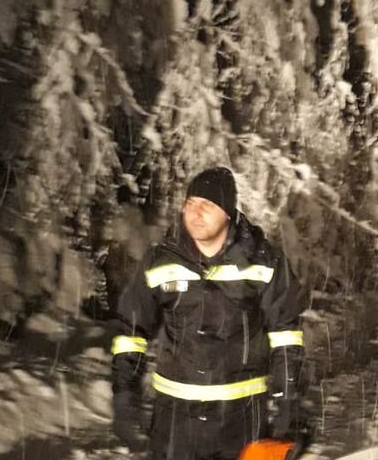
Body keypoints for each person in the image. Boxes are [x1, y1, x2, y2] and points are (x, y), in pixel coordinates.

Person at [110, 167, 306, 460]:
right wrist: (124, 394)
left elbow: (286, 334)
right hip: (174, 419)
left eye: (207, 205)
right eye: (190, 203)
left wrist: (287, 400)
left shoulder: (264, 263)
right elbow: (131, 330)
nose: (196, 213)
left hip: (241, 419)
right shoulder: (160, 261)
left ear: (227, 212)